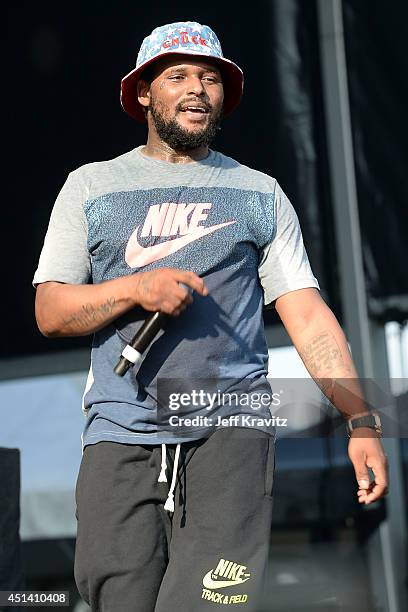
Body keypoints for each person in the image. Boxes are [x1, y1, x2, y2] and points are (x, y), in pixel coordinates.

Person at [32, 21, 389, 612]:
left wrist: (362, 419)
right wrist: (136, 289)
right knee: (117, 599)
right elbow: (50, 311)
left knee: (212, 605)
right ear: (143, 92)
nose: (198, 88)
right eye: (178, 76)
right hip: (120, 431)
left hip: (233, 428)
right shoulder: (90, 187)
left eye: (211, 78)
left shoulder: (261, 192)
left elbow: (307, 313)